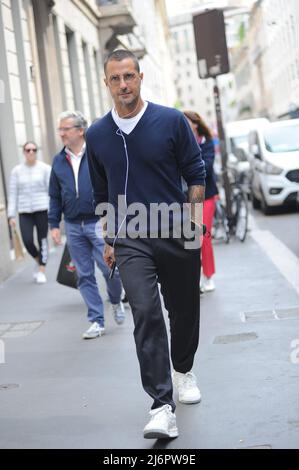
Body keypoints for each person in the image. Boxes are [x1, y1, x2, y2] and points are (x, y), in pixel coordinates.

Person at [86, 50, 206, 439]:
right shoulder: (98, 134)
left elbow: (195, 172)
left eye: (129, 76)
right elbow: (101, 190)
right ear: (106, 83)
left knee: (183, 308)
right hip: (130, 237)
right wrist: (109, 238)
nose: (123, 84)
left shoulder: (170, 120)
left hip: (175, 230)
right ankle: (161, 405)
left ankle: (183, 368)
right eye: (115, 78)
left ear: (139, 77)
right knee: (145, 313)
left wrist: (194, 226)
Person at [48, 111, 125, 339]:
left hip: (97, 221)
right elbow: (54, 195)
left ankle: (115, 299)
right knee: (83, 275)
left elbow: (111, 183)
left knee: (109, 268)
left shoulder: (95, 153)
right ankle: (96, 320)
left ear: (80, 131)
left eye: (65, 129)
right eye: (60, 129)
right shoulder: (58, 160)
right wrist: (54, 224)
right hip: (72, 225)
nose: (61, 133)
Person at [184, 111, 219, 293]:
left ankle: (209, 276)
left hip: (206, 196)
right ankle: (195, 277)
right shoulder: (181, 143)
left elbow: (206, 167)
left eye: (187, 121)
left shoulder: (206, 142)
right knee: (191, 239)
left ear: (195, 124)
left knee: (203, 237)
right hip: (188, 198)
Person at [7, 141, 51, 284]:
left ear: (36, 151)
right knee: (27, 241)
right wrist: (11, 215)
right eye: (28, 150)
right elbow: (13, 194)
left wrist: (53, 211)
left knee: (42, 240)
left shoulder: (45, 168)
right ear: (24, 152)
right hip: (24, 211)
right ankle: (39, 262)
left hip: (42, 209)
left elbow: (51, 191)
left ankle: (42, 270)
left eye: (34, 149)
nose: (31, 152)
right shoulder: (16, 171)